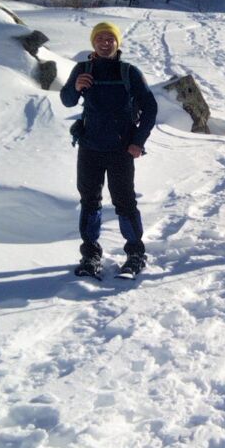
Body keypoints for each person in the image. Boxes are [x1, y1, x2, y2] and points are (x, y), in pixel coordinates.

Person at [60, 22, 158, 278]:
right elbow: (67, 100)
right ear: (93, 42)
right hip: (90, 147)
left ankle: (135, 253)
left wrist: (138, 141)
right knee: (89, 201)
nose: (105, 42)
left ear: (118, 42)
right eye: (100, 38)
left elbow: (150, 108)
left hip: (121, 149)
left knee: (124, 201)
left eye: (110, 38)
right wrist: (75, 87)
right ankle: (90, 255)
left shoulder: (129, 72)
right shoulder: (83, 69)